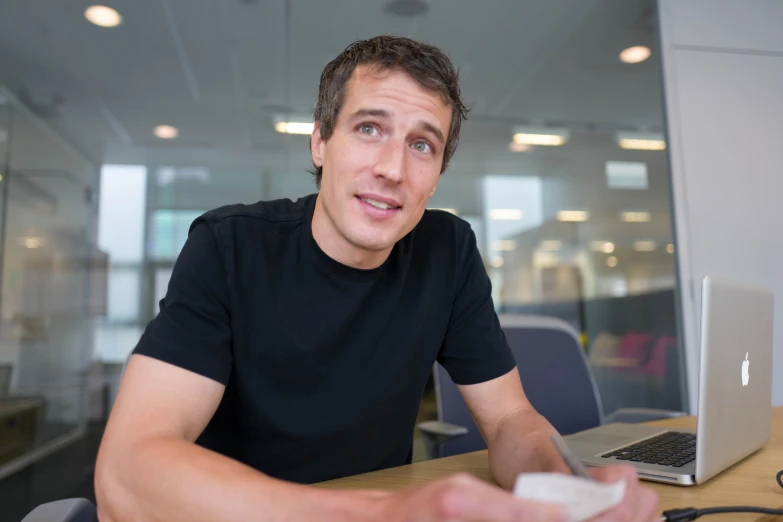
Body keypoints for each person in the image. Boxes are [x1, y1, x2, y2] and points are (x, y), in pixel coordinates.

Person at [94, 35, 660, 521]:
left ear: (436, 174)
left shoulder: (448, 251)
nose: (393, 169)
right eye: (369, 128)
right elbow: (126, 471)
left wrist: (568, 491)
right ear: (320, 142)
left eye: (421, 144)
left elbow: (511, 417)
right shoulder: (229, 246)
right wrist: (382, 513)